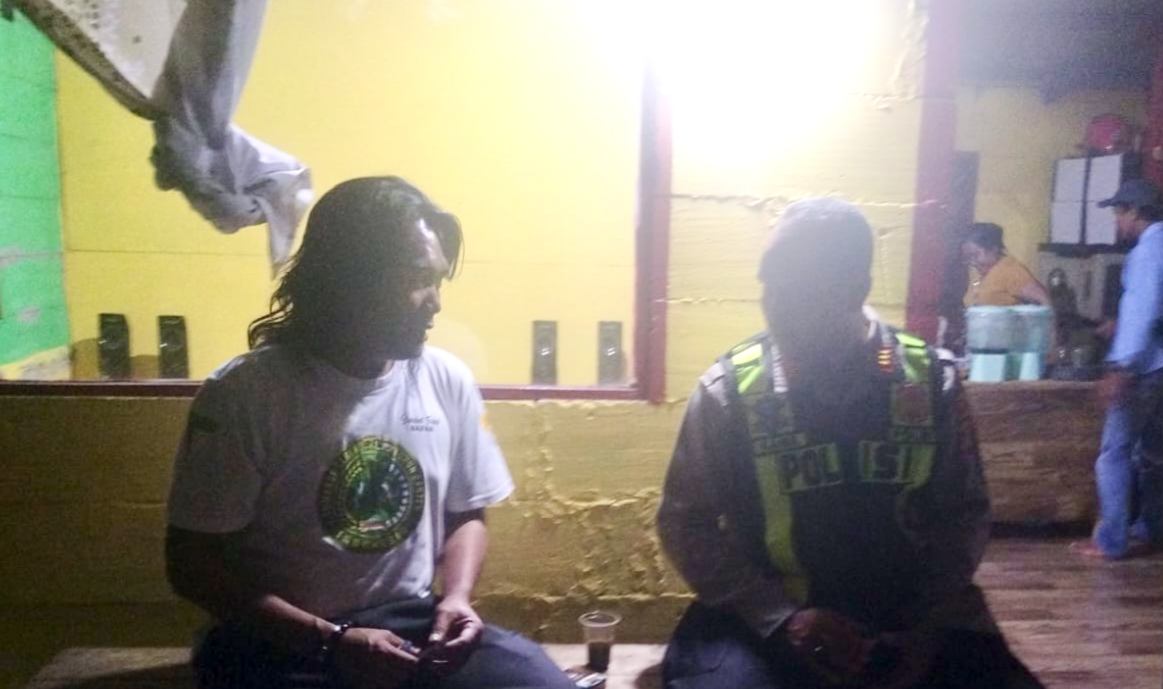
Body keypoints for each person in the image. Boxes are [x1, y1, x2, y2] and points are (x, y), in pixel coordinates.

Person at [165, 176, 575, 689]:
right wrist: (331, 641)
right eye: (419, 278)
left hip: (411, 625)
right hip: (277, 642)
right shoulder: (245, 395)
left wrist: (456, 598)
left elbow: (466, 514)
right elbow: (192, 564)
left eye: (439, 281)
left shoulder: (446, 379)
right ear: (350, 278)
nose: (435, 302)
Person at [657, 198, 1042, 689]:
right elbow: (684, 521)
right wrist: (780, 616)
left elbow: (963, 513)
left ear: (856, 288)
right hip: (762, 619)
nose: (774, 304)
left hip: (912, 614)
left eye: (799, 289)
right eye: (769, 283)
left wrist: (923, 627)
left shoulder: (929, 382)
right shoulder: (730, 390)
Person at [1072, 178, 1163, 560]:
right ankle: (1149, 529)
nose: (1116, 222)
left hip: (1143, 370)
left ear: (1135, 212)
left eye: (1118, 213)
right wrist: (1120, 325)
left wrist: (1120, 367)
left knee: (1114, 453)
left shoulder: (1148, 251)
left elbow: (1143, 309)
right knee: (1153, 456)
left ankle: (1110, 540)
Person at [961, 223, 1050, 307]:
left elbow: (1045, 304)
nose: (972, 262)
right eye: (968, 257)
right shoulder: (983, 272)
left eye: (975, 255)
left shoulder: (1011, 271)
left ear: (994, 249)